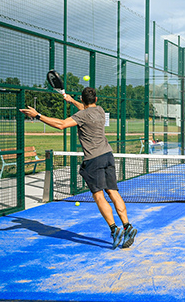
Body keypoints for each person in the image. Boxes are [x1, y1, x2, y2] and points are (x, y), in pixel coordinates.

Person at [20, 88, 137, 249]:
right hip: (108, 155)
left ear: (82, 100)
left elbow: (61, 124)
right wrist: (71, 101)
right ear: (95, 99)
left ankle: (114, 229)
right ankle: (127, 226)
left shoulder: (82, 115)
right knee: (113, 192)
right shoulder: (100, 111)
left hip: (93, 159)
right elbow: (85, 108)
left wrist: (38, 116)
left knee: (99, 196)